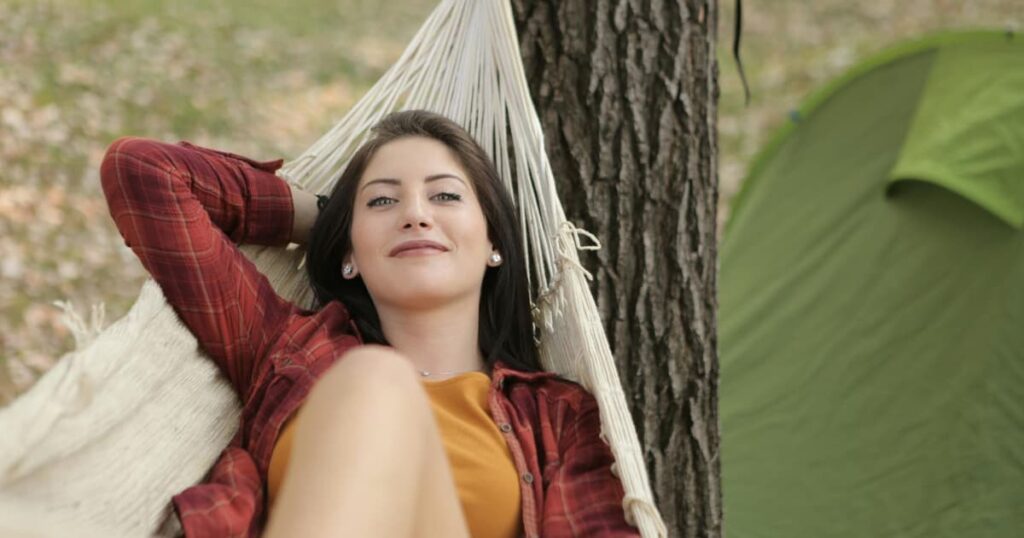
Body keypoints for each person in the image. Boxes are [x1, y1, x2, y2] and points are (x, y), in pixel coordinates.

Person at [100, 110, 638, 537]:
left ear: (494, 243)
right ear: (348, 254)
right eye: (382, 201)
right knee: (374, 379)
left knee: (376, 378)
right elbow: (144, 172)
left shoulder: (557, 419)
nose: (416, 214)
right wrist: (324, 219)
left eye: (446, 195)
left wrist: (363, 224)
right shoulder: (285, 349)